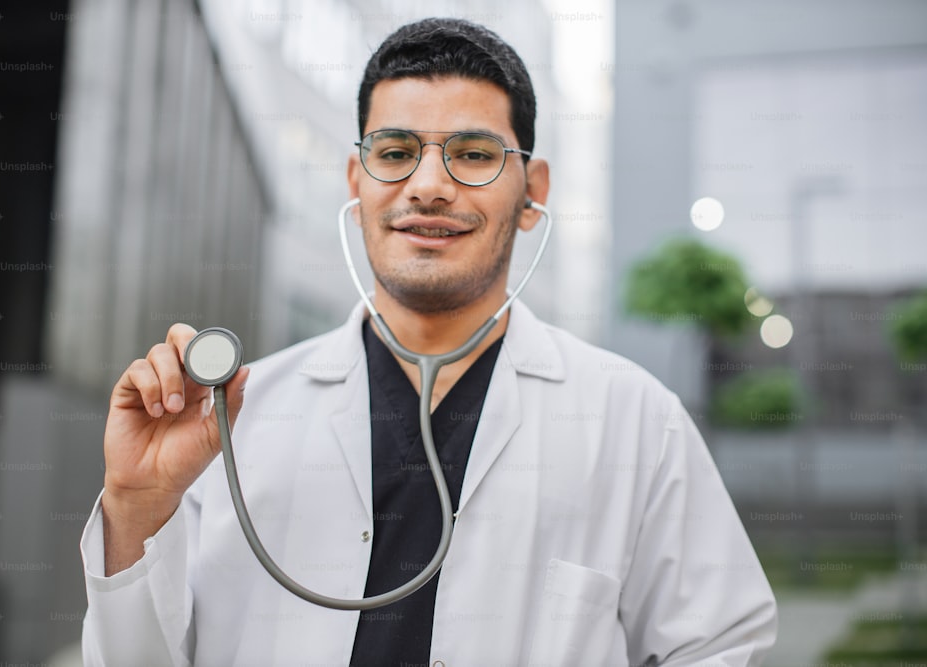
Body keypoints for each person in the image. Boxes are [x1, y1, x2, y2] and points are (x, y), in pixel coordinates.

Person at [80, 17, 777, 666]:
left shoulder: (634, 420)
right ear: (358, 182)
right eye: (396, 152)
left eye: (473, 154)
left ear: (532, 193)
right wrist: (138, 503)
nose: (429, 185)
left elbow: (719, 645)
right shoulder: (230, 421)